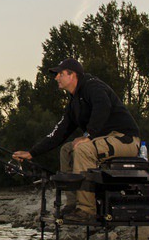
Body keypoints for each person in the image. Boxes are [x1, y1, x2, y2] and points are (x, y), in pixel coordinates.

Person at [12, 57, 141, 221]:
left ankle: (87, 210)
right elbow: (58, 132)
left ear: (72, 75)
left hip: (126, 140)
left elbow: (103, 106)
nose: (56, 77)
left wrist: (89, 135)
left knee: (82, 148)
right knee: (66, 149)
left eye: (59, 74)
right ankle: (73, 204)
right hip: (104, 141)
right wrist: (32, 153)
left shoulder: (92, 85)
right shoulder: (74, 102)